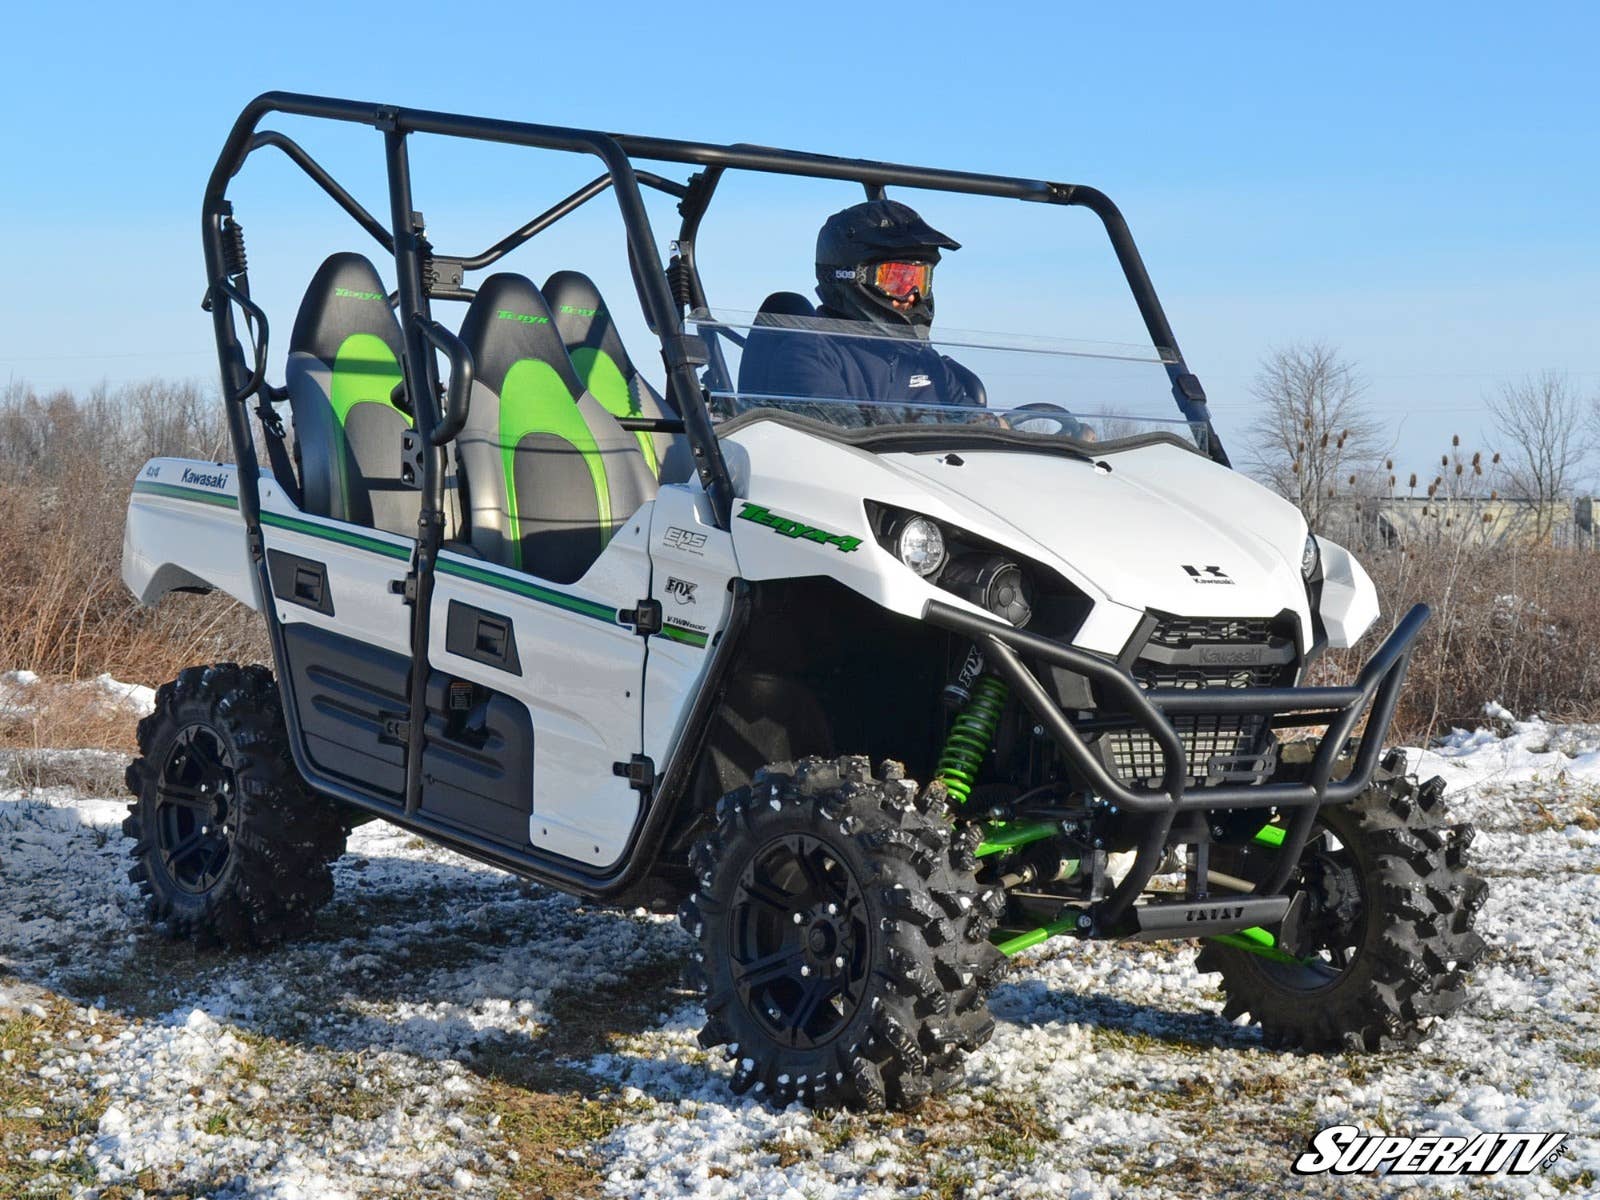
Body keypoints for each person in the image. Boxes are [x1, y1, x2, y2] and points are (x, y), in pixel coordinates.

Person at [737, 200, 984, 410]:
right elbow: (843, 433)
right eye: (896, 279)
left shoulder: (922, 358)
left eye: (920, 280)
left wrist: (997, 424)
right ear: (849, 277)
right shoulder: (808, 352)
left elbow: (971, 421)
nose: (912, 295)